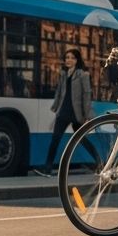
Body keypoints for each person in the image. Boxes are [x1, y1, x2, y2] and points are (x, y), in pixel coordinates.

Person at [35, 47, 93, 177]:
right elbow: (59, 93)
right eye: (67, 57)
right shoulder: (63, 74)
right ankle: (47, 168)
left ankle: (101, 163)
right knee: (55, 139)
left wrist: (88, 115)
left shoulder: (83, 75)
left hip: (76, 113)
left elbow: (87, 95)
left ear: (77, 60)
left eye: (72, 58)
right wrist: (56, 108)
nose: (69, 60)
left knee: (83, 140)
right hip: (63, 113)